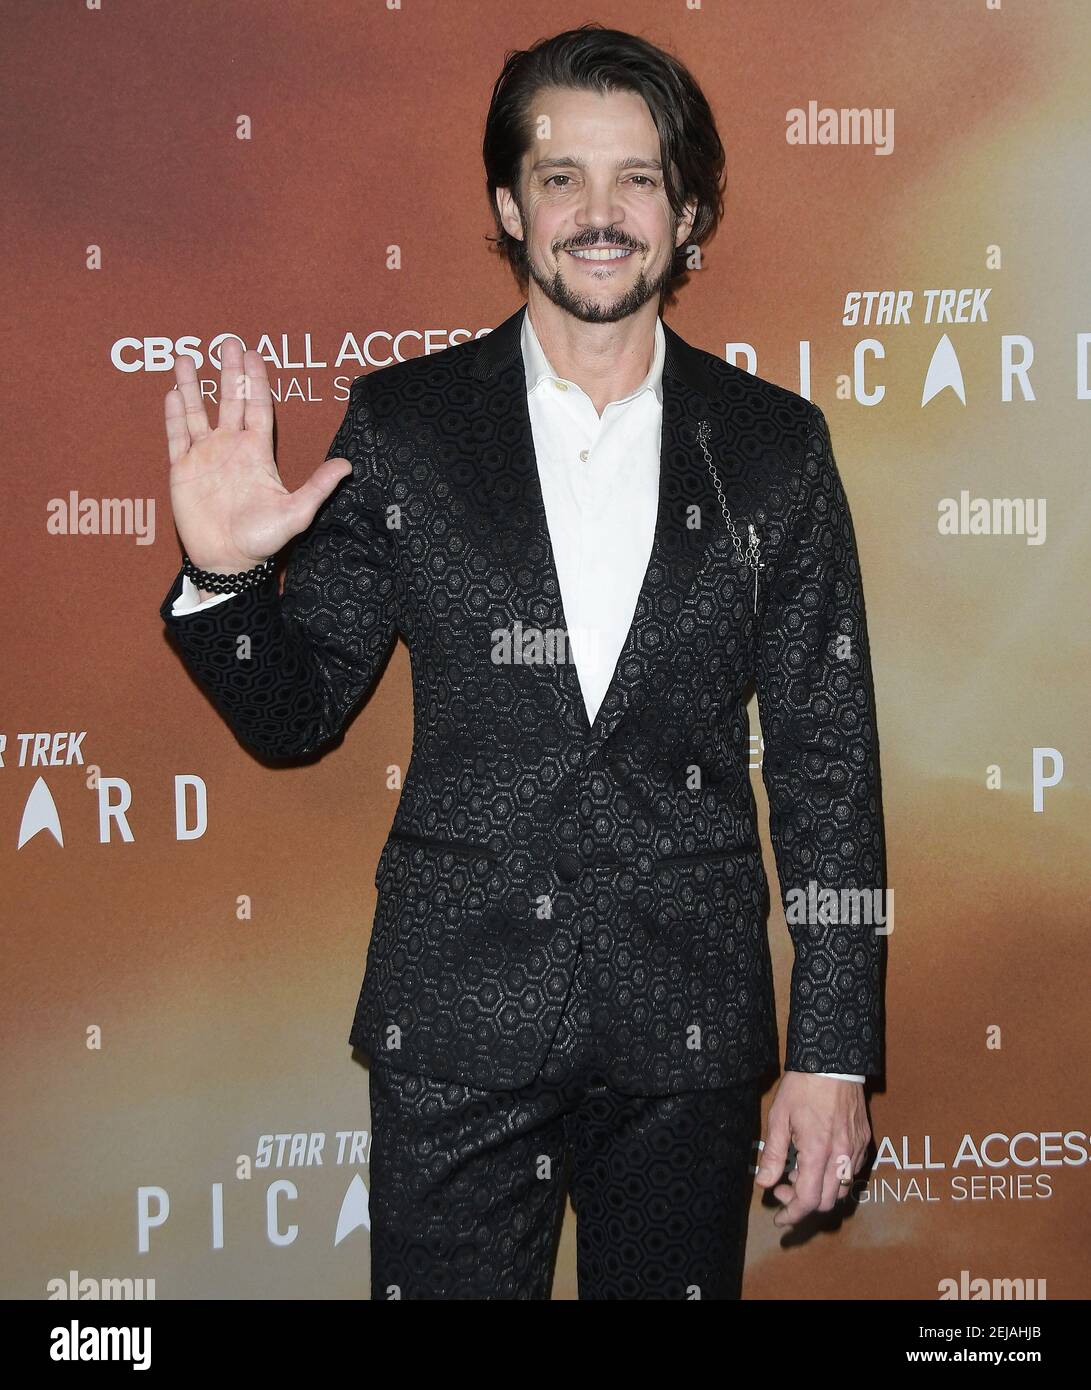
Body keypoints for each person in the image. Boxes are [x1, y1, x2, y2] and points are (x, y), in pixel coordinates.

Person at [159, 24, 885, 1300]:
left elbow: (827, 766)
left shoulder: (775, 448)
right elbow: (297, 714)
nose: (598, 214)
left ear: (687, 207)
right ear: (508, 203)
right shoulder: (406, 429)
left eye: (637, 178)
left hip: (689, 1029)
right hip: (454, 1020)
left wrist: (829, 1051)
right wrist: (226, 579)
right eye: (560, 178)